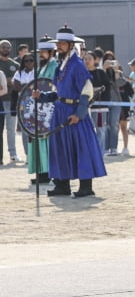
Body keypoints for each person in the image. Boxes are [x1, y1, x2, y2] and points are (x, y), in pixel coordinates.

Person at [38, 25, 107, 198]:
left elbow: (87, 91)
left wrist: (79, 114)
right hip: (60, 110)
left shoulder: (77, 65)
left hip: (74, 112)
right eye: (58, 43)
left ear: (70, 45)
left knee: (81, 148)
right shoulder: (61, 65)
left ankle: (85, 186)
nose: (59, 46)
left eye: (63, 43)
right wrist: (42, 96)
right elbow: (59, 92)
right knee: (59, 148)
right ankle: (62, 184)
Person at [24, 38, 57, 184]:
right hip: (37, 108)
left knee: (48, 140)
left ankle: (50, 172)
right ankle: (41, 172)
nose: (41, 55)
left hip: (49, 108)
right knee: (37, 140)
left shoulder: (55, 66)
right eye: (40, 52)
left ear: (51, 52)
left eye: (43, 52)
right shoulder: (39, 68)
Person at [0, 39, 19, 164]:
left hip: (13, 101)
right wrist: (8, 80)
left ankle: (13, 154)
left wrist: (7, 81)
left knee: (11, 129)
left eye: (8, 47)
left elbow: (18, 82)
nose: (6, 49)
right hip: (0, 101)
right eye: (3, 47)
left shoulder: (15, 65)